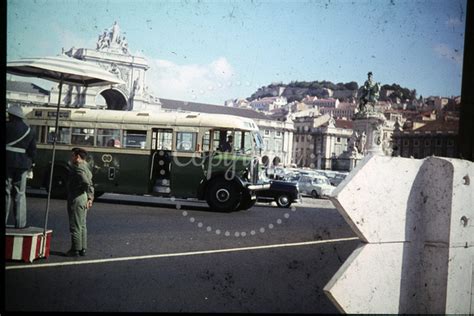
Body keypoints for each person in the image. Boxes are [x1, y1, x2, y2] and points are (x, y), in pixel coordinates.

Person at [6, 105, 37, 229]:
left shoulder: (7, 127)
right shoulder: (29, 130)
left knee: (6, 192)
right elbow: (32, 150)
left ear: (11, 116)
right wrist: (32, 163)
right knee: (20, 193)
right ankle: (20, 223)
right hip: (23, 164)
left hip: (7, 162)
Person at [66, 147, 94, 257]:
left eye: (72, 155)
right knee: (82, 224)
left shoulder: (78, 168)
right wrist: (90, 197)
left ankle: (75, 249)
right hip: (84, 197)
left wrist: (84, 189)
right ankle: (83, 248)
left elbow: (86, 182)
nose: (71, 158)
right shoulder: (86, 166)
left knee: (75, 225)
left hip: (76, 197)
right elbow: (90, 183)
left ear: (77, 157)